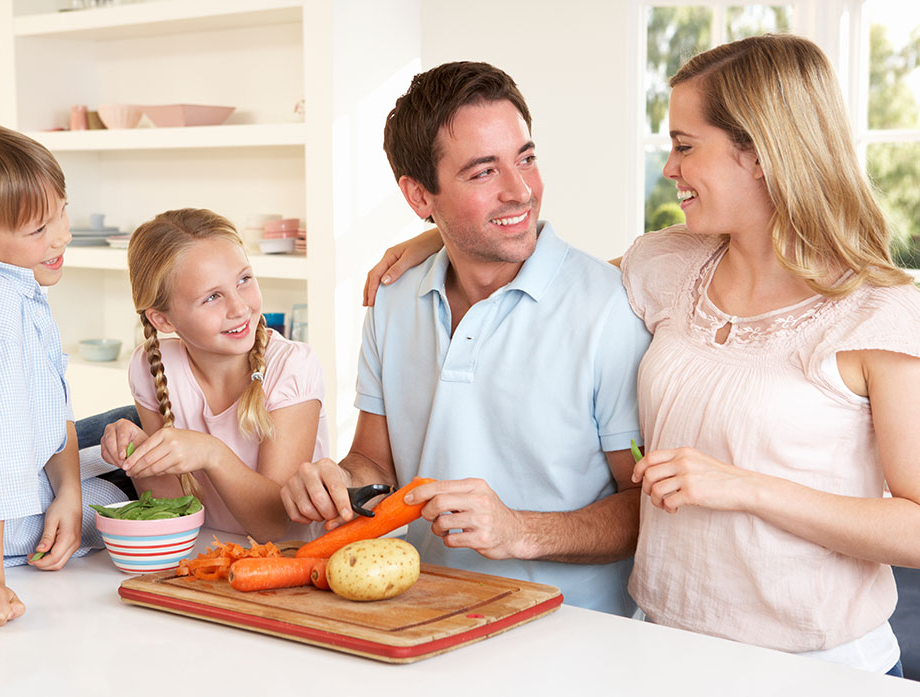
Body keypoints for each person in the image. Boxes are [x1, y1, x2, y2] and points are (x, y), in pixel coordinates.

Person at [362, 36, 920, 676]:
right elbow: (543, 272)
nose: (669, 168)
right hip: (661, 645)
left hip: (819, 664)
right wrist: (433, 232)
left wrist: (746, 488)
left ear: (761, 153)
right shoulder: (669, 263)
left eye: (685, 146)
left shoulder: (881, 310)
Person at [281, 62, 651, 614]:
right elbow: (373, 461)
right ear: (418, 197)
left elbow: (645, 508)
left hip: (570, 637)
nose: (520, 189)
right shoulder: (392, 296)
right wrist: (337, 484)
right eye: (483, 172)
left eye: (526, 157)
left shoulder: (609, 308)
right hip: (421, 615)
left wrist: (518, 531)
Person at [0, 122, 127, 628]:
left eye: (62, 210)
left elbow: (49, 403)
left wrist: (69, 492)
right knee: (138, 479)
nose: (62, 235)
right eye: (38, 230)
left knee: (124, 421)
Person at [100, 208, 329, 543]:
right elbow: (172, 506)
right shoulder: (152, 365)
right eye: (212, 297)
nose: (239, 307)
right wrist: (138, 452)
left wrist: (212, 453)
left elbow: (275, 526)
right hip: (206, 555)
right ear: (163, 321)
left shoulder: (292, 368)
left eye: (244, 280)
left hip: (289, 561)